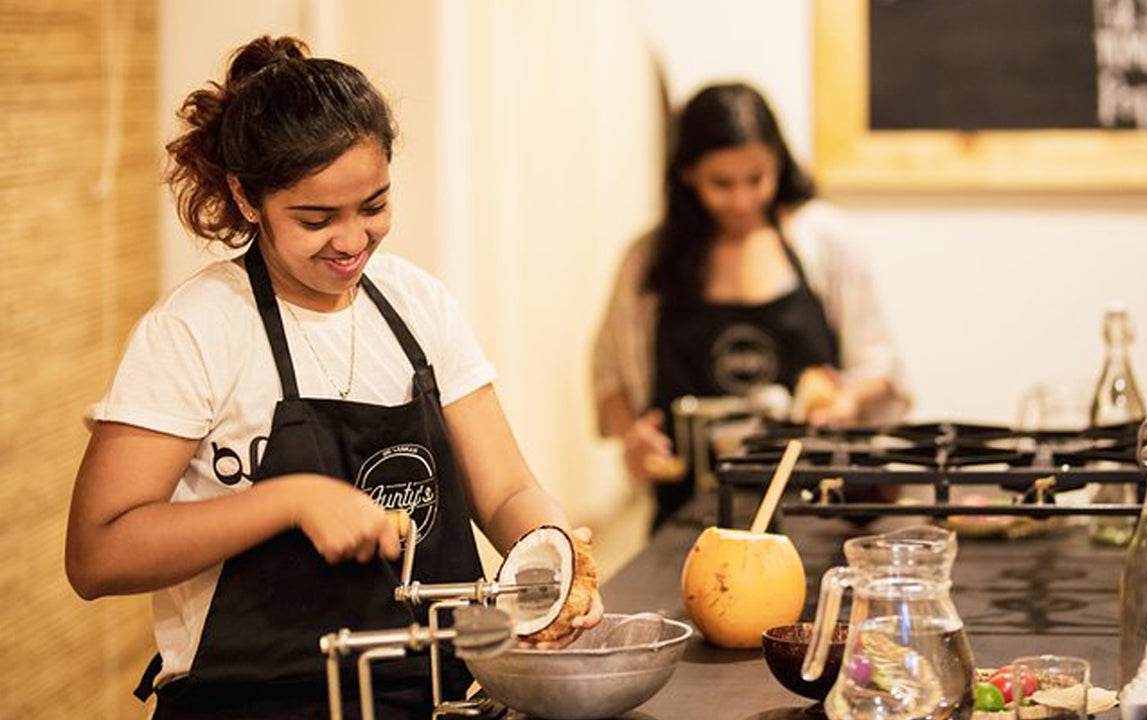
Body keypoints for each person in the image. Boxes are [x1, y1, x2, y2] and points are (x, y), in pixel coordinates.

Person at [65, 36, 600, 719]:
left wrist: (556, 569)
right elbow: (97, 553)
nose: (352, 241)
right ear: (247, 197)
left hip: (438, 693)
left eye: (373, 206)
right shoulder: (197, 330)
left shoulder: (418, 305)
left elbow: (507, 490)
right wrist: (286, 502)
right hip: (256, 702)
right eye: (316, 219)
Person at [591, 82, 910, 529]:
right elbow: (609, 378)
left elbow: (880, 367)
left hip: (816, 511)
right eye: (722, 184)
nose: (742, 200)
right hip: (690, 522)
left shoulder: (823, 241)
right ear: (687, 174)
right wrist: (634, 437)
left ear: (779, 162)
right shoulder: (648, 261)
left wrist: (846, 399)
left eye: (757, 179)